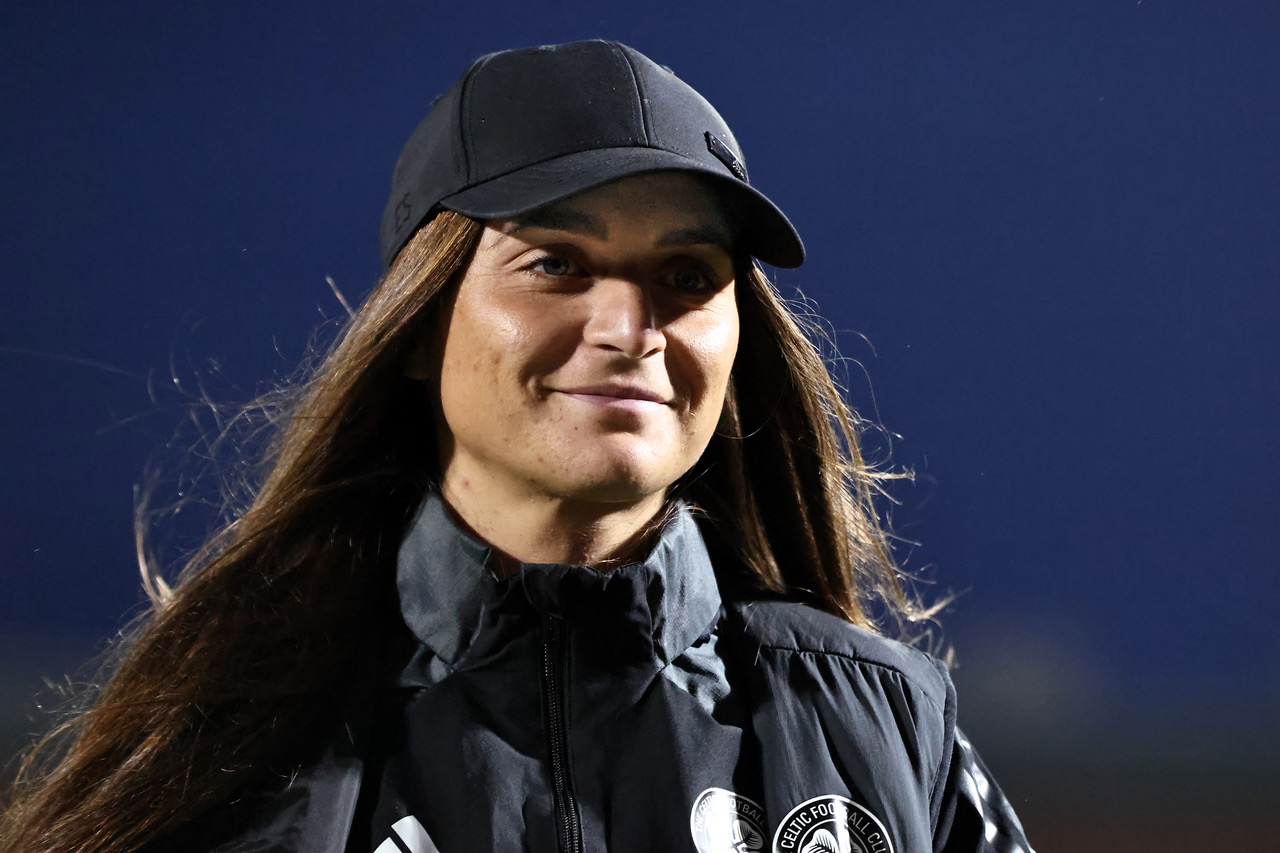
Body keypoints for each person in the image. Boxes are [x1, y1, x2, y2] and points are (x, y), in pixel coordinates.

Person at [1, 40, 1034, 853]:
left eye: (685, 276)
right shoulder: (231, 745)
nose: (629, 328)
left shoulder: (886, 727)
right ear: (418, 327)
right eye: (555, 264)